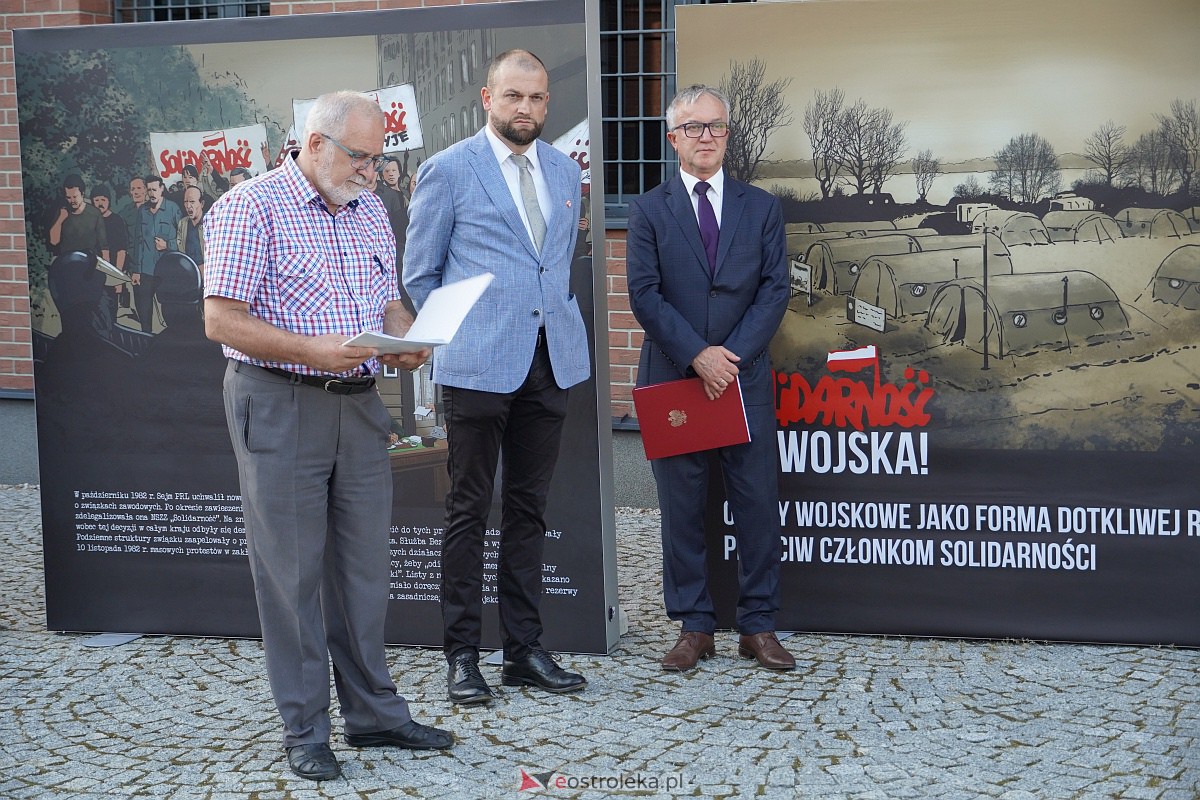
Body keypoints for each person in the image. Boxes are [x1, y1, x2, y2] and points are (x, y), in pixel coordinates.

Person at [203, 90, 452, 782]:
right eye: (361, 157)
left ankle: (374, 714)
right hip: (280, 402)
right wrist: (312, 351)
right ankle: (305, 728)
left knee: (364, 571)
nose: (372, 173)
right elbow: (221, 320)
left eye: (379, 159)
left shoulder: (369, 207)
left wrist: (407, 340)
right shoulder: (250, 208)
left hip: (361, 405)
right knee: (291, 576)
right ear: (313, 143)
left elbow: (388, 301)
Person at [404, 49, 591, 706]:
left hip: (551, 362)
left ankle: (524, 650)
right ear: (487, 98)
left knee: (529, 511)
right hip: (479, 367)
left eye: (538, 98)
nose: (527, 109)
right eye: (514, 96)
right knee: (466, 511)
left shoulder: (566, 172)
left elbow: (556, 264)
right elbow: (419, 275)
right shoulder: (448, 171)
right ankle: (461, 656)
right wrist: (466, 333)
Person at [626, 85, 794, 673]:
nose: (705, 136)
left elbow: (776, 291)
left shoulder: (762, 208)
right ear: (673, 138)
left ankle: (759, 625)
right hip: (675, 380)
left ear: (728, 135)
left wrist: (731, 357)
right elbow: (643, 295)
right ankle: (694, 626)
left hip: (742, 380)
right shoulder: (648, 210)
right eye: (693, 127)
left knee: (756, 504)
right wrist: (699, 355)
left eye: (716, 126)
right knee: (682, 508)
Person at [133, 175, 182, 333]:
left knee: (170, 310)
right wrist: (136, 270)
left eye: (155, 189)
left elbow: (182, 238)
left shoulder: (173, 208)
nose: (152, 193)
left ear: (162, 189)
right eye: (149, 190)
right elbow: (138, 241)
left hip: (167, 269)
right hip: (147, 270)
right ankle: (146, 341)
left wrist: (168, 245)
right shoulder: (143, 211)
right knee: (144, 311)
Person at [91, 184, 131, 315]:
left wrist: (118, 279)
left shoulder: (117, 221)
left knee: (110, 312)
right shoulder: (90, 221)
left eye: (103, 199)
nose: (100, 203)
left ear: (109, 201)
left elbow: (122, 250)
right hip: (93, 275)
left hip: (111, 274)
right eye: (96, 200)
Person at [176, 185, 207, 274]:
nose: (188, 205)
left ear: (202, 204)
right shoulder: (182, 223)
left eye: (192, 201)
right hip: (188, 272)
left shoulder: (211, 223)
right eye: (186, 201)